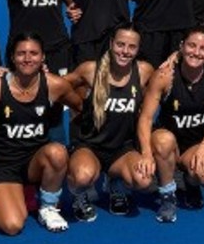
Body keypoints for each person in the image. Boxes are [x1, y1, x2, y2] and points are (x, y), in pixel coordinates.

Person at [0, 32, 81, 235]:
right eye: (21, 53)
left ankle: (48, 206)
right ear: (12, 57)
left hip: (34, 163)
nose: (27, 58)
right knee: (12, 225)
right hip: (3, 165)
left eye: (34, 53)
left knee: (57, 152)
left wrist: (83, 149)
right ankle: (5, 194)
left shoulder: (55, 85)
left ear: (43, 57)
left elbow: (82, 108)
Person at [64, 25, 154, 220]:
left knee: (144, 180)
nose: (125, 51)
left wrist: (146, 153)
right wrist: (76, 108)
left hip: (123, 149)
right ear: (112, 43)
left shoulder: (144, 71)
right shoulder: (90, 70)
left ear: (138, 49)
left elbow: (167, 80)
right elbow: (58, 86)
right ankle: (79, 194)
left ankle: (115, 181)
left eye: (132, 46)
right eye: (120, 44)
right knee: (82, 176)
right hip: (89, 146)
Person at [139, 26, 204, 220]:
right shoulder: (163, 76)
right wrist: (146, 153)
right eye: (191, 45)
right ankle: (167, 194)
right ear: (181, 46)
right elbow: (146, 118)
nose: (196, 52)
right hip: (167, 143)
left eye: (203, 48)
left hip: (195, 144)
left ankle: (190, 182)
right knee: (163, 142)